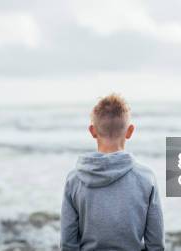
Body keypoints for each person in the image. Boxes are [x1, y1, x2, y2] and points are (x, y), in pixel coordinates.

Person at [61, 93, 164, 250]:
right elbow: (155, 243)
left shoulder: (74, 179)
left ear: (92, 131)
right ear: (130, 131)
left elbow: (68, 244)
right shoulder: (146, 178)